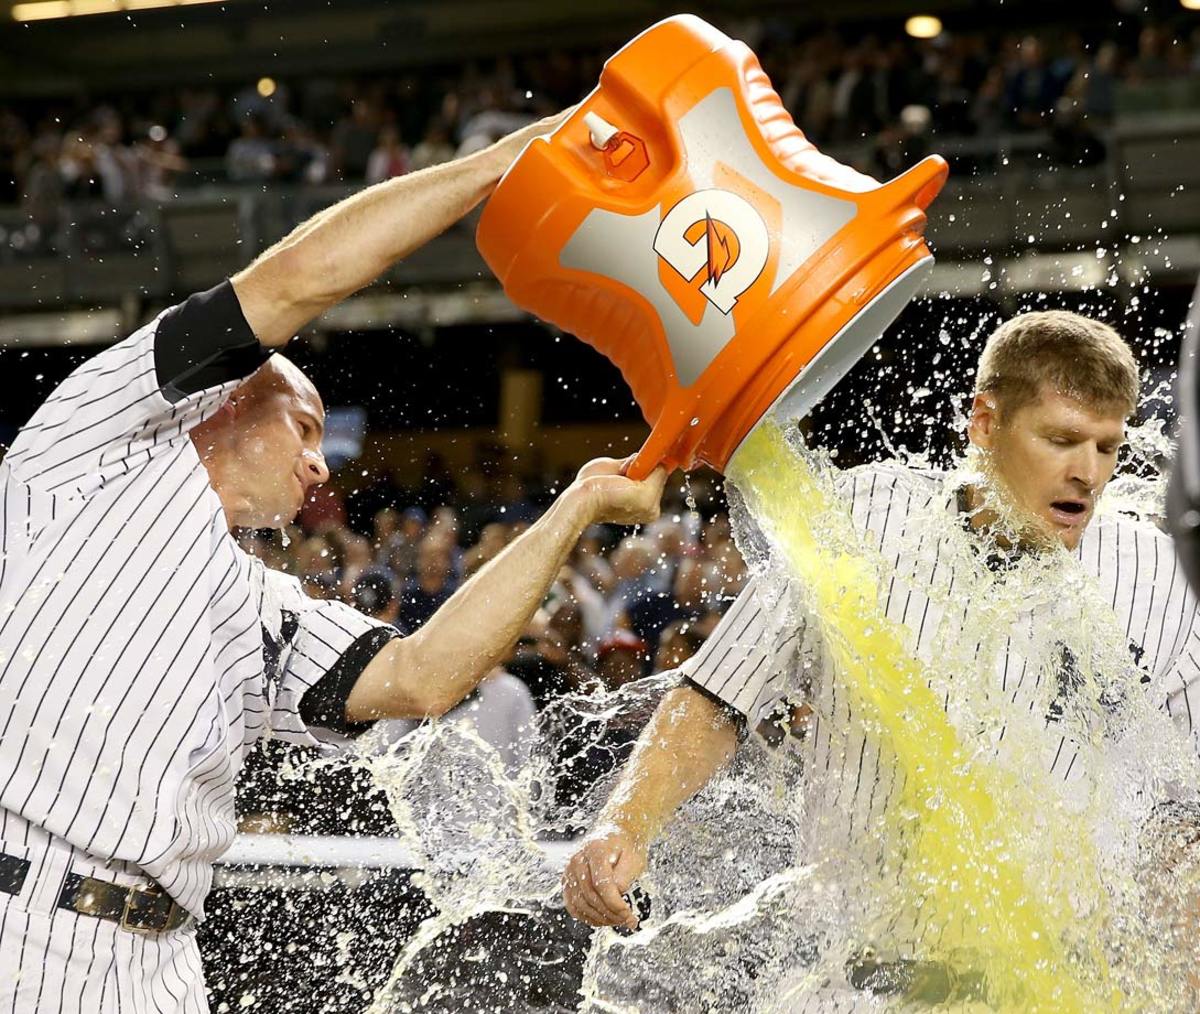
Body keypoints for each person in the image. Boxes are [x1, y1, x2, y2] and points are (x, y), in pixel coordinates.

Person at [0, 109, 667, 1011]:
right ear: (220, 403)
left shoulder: (254, 597)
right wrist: (503, 163)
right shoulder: (94, 447)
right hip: (22, 925)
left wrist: (574, 509)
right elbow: (296, 281)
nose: (321, 462)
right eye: (302, 426)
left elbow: (424, 676)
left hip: (158, 964)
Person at [562, 310, 1200, 1001]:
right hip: (864, 982)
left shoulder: (1161, 579)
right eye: (1062, 439)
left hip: (1058, 990)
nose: (1087, 473)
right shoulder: (863, 518)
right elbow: (719, 695)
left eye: (1107, 448)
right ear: (984, 423)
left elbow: (1187, 813)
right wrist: (625, 824)